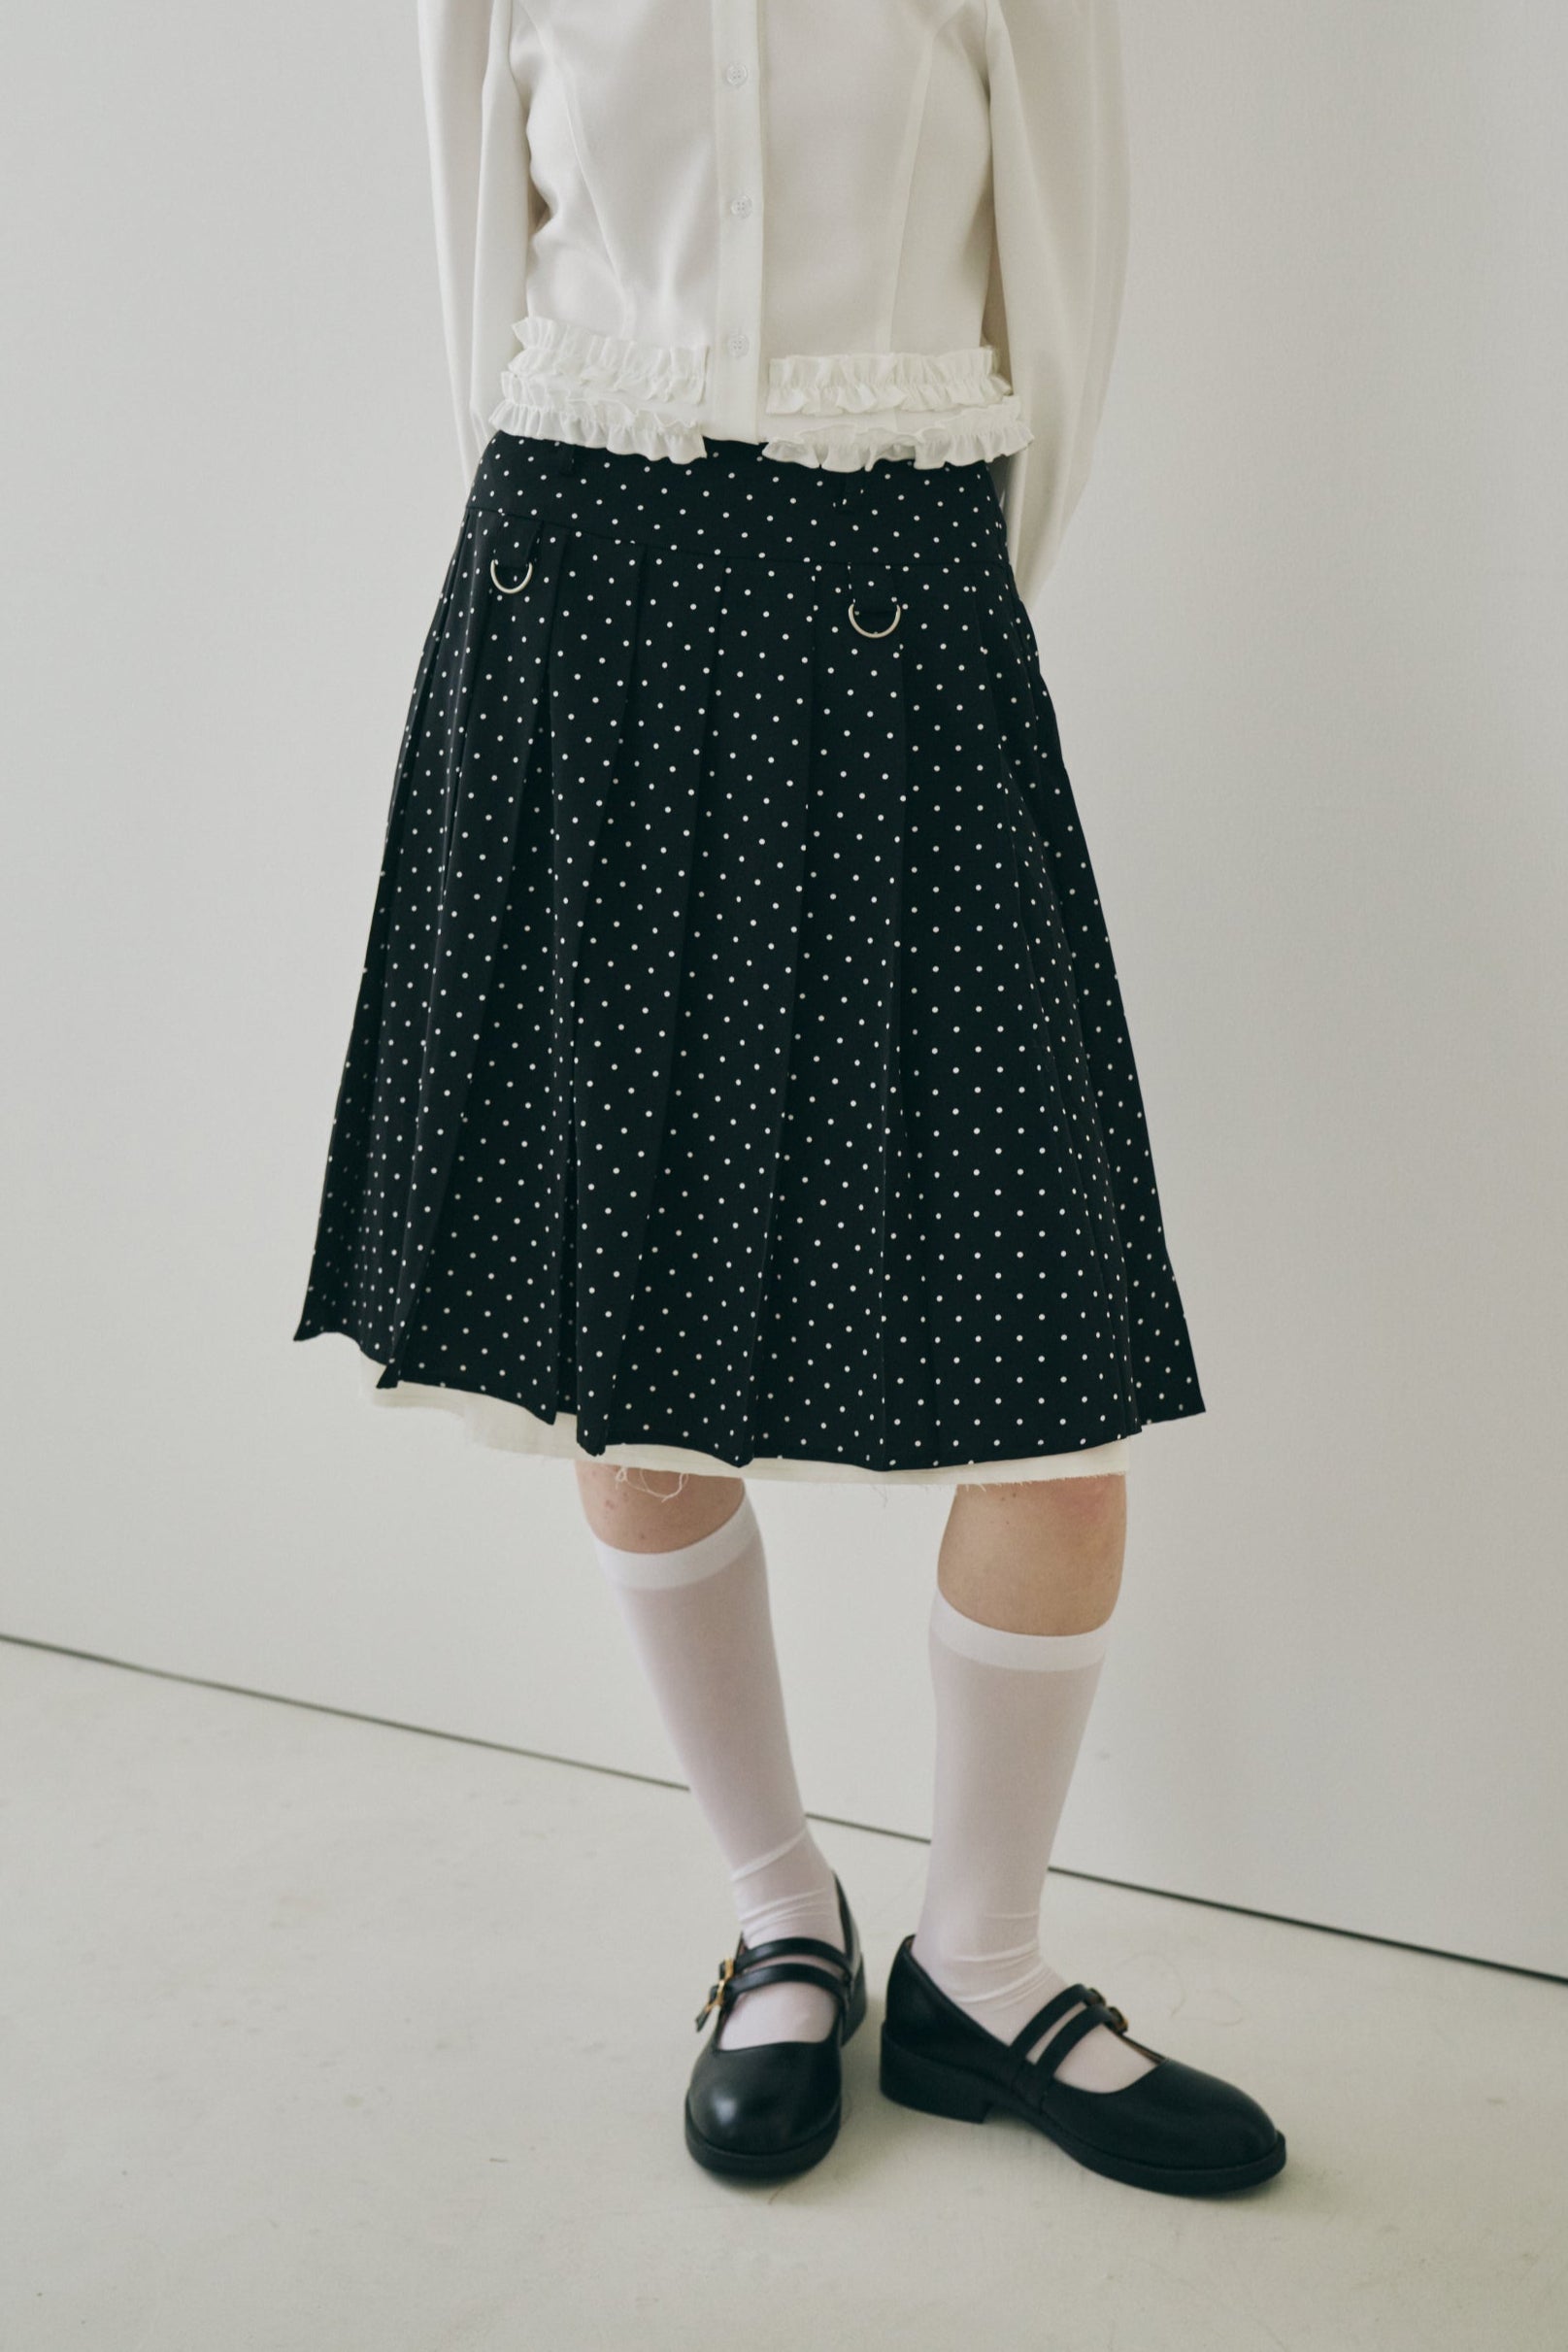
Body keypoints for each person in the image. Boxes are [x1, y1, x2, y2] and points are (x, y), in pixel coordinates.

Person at [292, 0, 1286, 2194]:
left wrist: (921, 633)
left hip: (902, 617)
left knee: (1055, 1405)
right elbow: (479, 283)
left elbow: (1065, 301)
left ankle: (982, 1964)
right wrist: (584, 644)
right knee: (630, 1388)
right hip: (578, 615)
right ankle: (777, 1915)